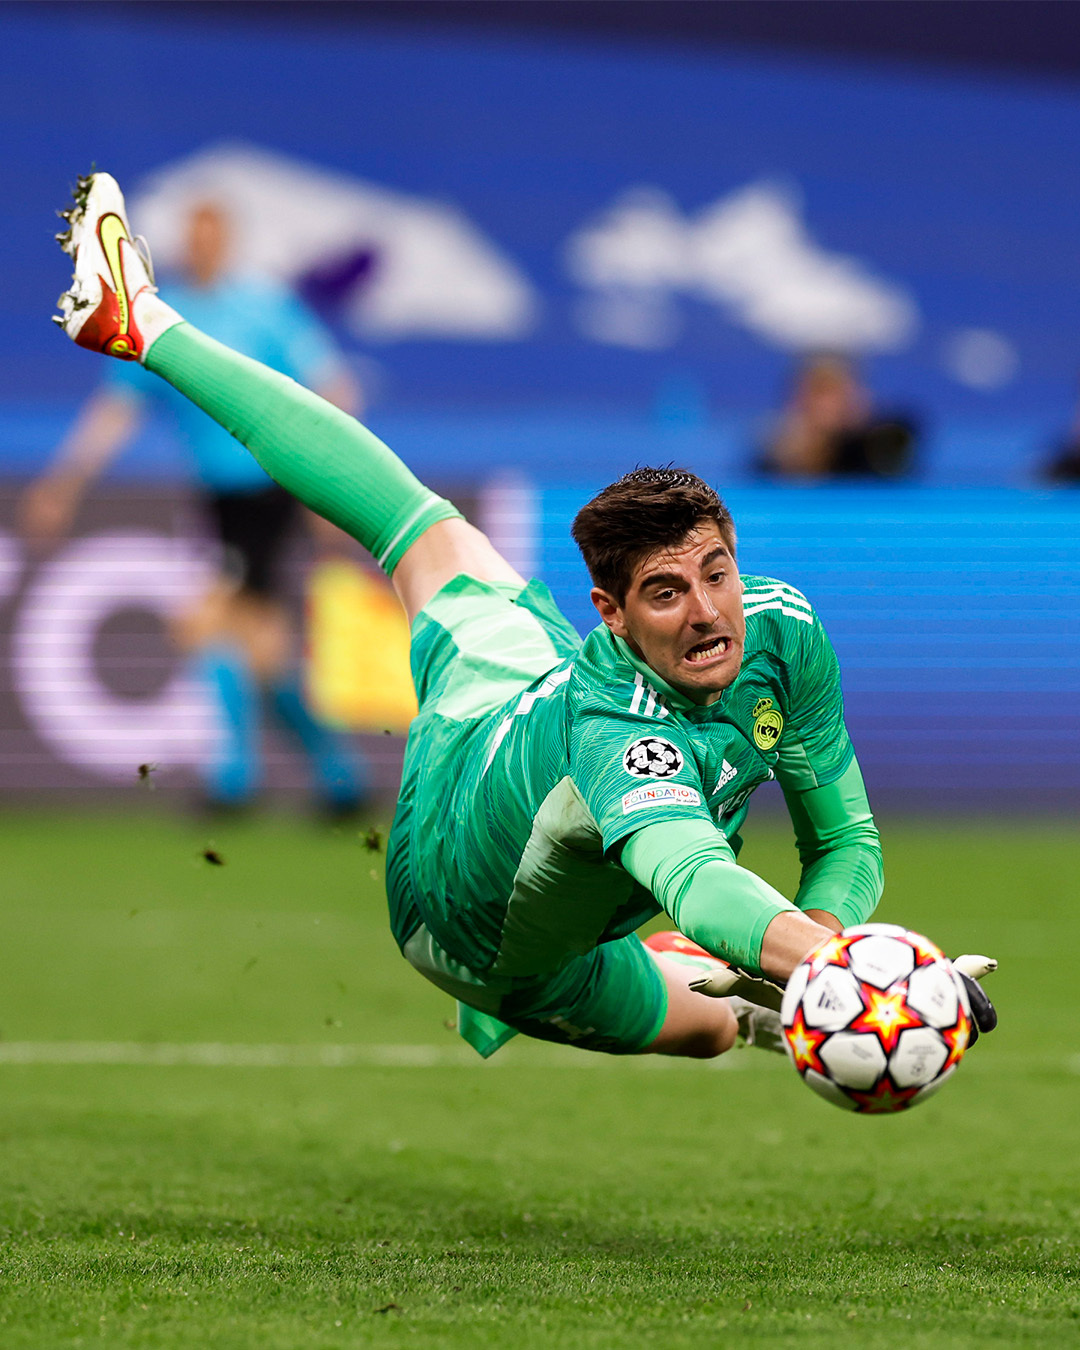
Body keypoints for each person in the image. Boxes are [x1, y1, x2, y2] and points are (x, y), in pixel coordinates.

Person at [51, 172, 996, 1066]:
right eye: (667, 592)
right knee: (712, 1016)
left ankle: (136, 321)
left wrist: (836, 961)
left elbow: (844, 842)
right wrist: (856, 975)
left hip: (505, 693)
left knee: (419, 527)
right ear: (610, 615)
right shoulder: (621, 735)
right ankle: (149, 322)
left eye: (718, 574)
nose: (709, 611)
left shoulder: (782, 633)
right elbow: (702, 883)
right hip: (462, 922)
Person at [24, 198, 366, 815]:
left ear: (228, 240)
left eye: (212, 234)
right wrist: (63, 484)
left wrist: (332, 484)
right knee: (261, 644)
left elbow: (335, 386)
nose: (202, 245)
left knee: (204, 624)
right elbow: (117, 409)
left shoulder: (263, 308)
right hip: (218, 502)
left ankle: (236, 781)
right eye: (193, 235)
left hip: (270, 490)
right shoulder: (163, 317)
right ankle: (338, 781)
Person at [760, 353, 917, 480]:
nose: (827, 404)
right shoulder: (776, 453)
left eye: (835, 392)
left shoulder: (879, 440)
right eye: (819, 392)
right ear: (798, 400)